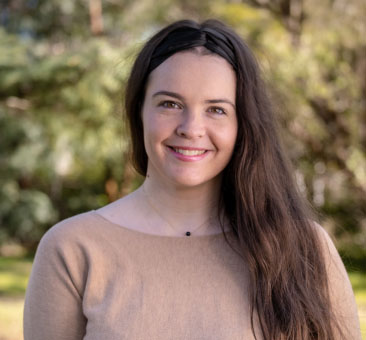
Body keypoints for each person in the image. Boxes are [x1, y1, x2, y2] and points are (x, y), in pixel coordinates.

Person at [23, 19, 361, 340]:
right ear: (138, 111)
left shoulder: (303, 248)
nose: (191, 128)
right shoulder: (72, 248)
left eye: (216, 109)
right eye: (169, 104)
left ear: (243, 124)